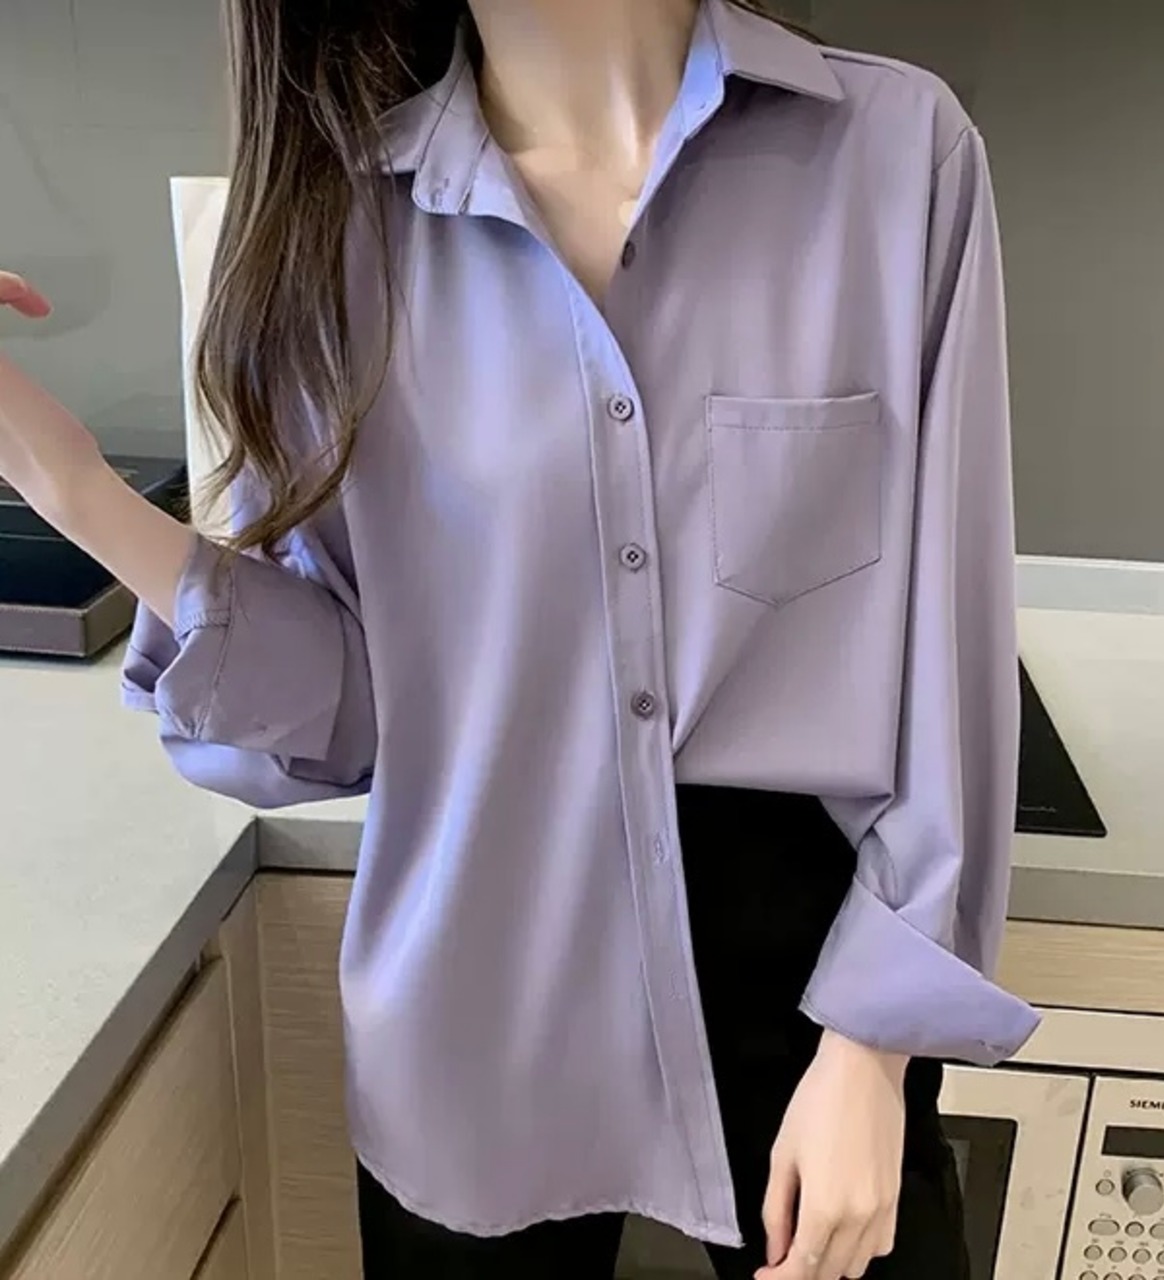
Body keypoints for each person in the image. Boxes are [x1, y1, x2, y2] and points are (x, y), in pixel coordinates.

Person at [0, 1, 1041, 1276]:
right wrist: (68, 484)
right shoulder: (340, 232)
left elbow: (948, 652)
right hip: (479, 990)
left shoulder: (894, 153)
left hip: (811, 979)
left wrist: (873, 1047)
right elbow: (356, 708)